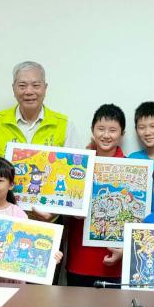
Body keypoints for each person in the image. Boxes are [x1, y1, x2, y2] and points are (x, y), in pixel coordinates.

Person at [0, 61, 80, 283]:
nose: (29, 91)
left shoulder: (64, 124)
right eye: (22, 85)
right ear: (13, 88)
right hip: (4, 220)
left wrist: (53, 212)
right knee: (5, 284)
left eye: (36, 85)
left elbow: (74, 181)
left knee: (43, 290)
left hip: (48, 222)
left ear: (45, 87)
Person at [65, 104, 126, 287]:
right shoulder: (77, 164)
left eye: (113, 130)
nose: (106, 135)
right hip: (80, 259)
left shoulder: (131, 167)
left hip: (115, 260)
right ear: (92, 130)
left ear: (122, 133)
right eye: (101, 129)